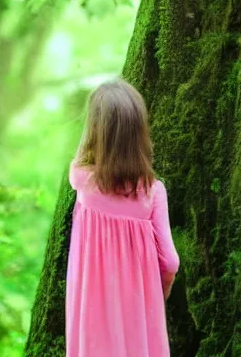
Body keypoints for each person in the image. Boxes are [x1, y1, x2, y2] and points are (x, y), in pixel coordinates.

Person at [65, 78, 180, 356]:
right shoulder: (153, 193)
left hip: (92, 318)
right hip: (138, 315)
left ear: (94, 133)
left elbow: (80, 158)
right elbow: (170, 261)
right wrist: (160, 290)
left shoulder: (83, 182)